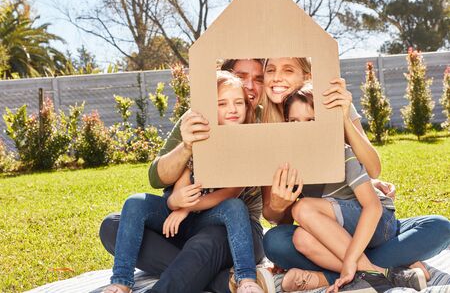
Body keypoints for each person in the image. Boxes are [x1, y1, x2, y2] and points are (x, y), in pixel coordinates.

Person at [260, 58, 450, 292]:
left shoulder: (334, 116)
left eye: (288, 70)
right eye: (271, 70)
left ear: (307, 76)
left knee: (439, 227)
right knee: (279, 241)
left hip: (364, 219)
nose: (278, 77)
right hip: (329, 231)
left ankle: (331, 275)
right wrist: (279, 207)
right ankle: (382, 271)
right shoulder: (270, 133)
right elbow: (278, 215)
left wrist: (344, 120)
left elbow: (371, 172)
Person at [99, 61, 267, 293]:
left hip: (224, 226)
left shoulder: (249, 133)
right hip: (186, 224)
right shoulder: (197, 125)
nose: (233, 109)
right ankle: (121, 282)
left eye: (239, 103)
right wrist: (175, 202)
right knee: (124, 215)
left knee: (227, 216)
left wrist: (186, 207)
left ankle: (239, 278)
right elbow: (176, 182)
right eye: (223, 103)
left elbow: (231, 192)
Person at [277, 87, 427, 292]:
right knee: (300, 238)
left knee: (301, 208)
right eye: (294, 121)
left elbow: (373, 207)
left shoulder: (341, 150)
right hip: (340, 230)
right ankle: (382, 274)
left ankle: (356, 270)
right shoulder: (293, 160)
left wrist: (349, 262)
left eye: (311, 120)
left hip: (377, 222)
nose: (303, 128)